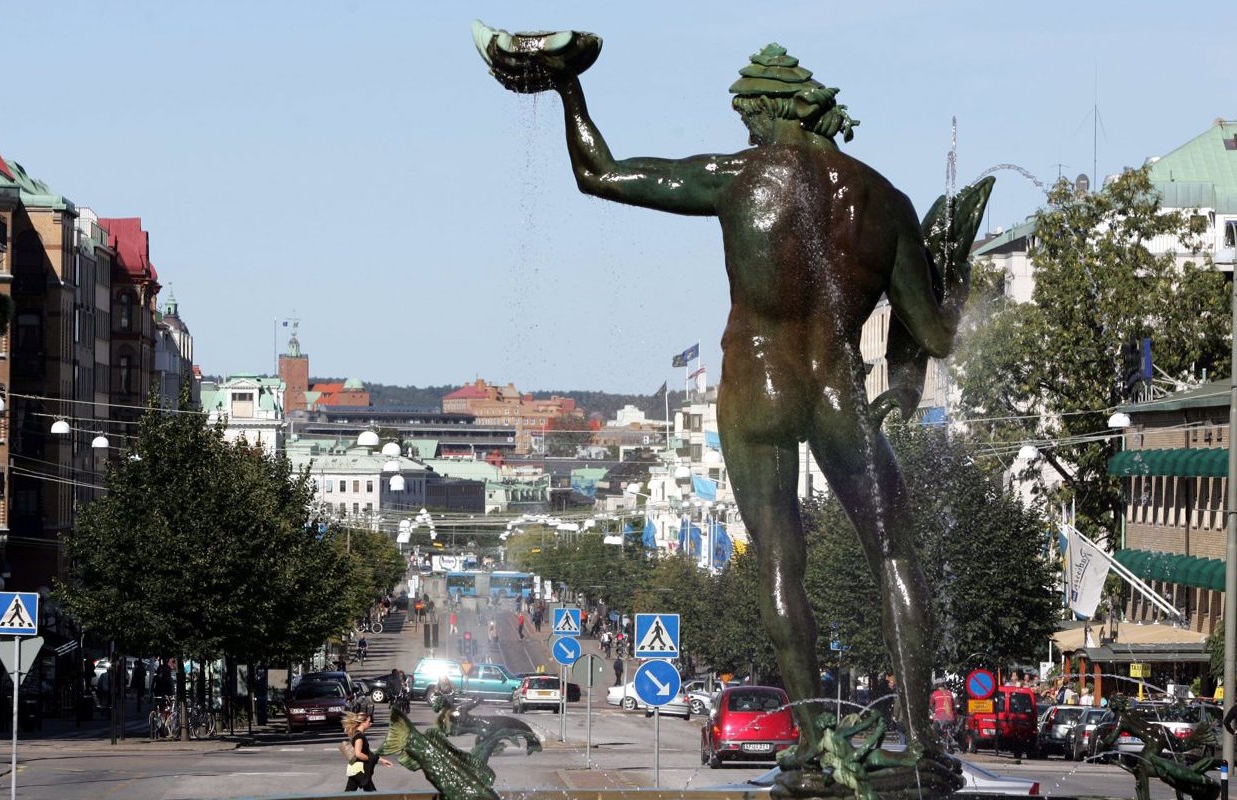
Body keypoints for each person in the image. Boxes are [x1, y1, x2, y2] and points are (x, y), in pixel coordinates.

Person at [479, 30, 990, 758]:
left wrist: (567, 87)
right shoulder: (884, 200)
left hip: (759, 385)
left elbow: (601, 173)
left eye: (747, 113)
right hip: (840, 393)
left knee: (783, 563)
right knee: (896, 556)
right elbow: (937, 337)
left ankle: (818, 740)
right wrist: (956, 276)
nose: (744, 127)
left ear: (768, 110)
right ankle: (919, 740)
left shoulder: (740, 174)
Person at [343, 711, 392, 791]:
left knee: (348, 794)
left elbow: (367, 752)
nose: (371, 724)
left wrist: (381, 760)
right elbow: (358, 754)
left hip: (354, 769)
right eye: (369, 721)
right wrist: (371, 759)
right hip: (358, 770)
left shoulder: (357, 734)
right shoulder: (359, 737)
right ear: (363, 722)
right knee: (372, 794)